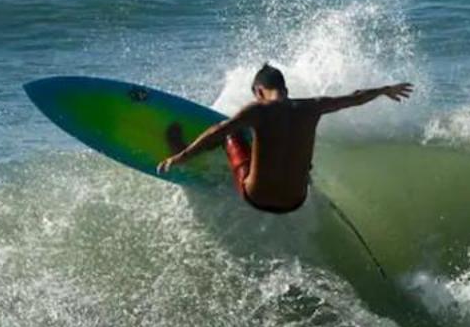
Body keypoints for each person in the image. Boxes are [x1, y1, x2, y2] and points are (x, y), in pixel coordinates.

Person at [157, 64, 412, 214]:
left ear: (258, 92)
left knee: (233, 132)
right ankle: (303, 174)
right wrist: (384, 90)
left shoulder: (258, 110)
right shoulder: (314, 106)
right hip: (295, 201)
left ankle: (187, 152)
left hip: (256, 197)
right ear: (286, 90)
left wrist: (181, 156)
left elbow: (218, 130)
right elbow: (355, 98)